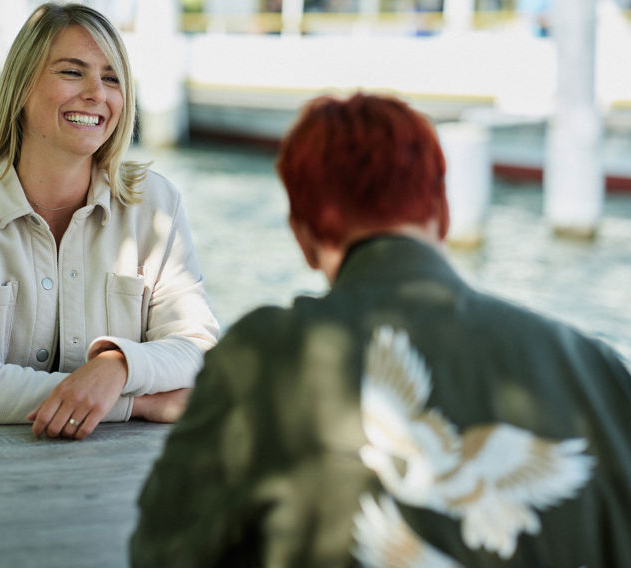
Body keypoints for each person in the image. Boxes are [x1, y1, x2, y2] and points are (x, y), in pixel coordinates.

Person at [131, 93, 631, 566]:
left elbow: (163, 552)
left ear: (303, 237)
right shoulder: (597, 370)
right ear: (444, 212)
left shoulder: (263, 358)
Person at [0, 2, 219, 440]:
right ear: (21, 87)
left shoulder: (155, 203)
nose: (96, 93)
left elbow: (198, 348)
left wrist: (116, 365)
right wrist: (139, 403)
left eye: (112, 78)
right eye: (72, 72)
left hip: (112, 482)